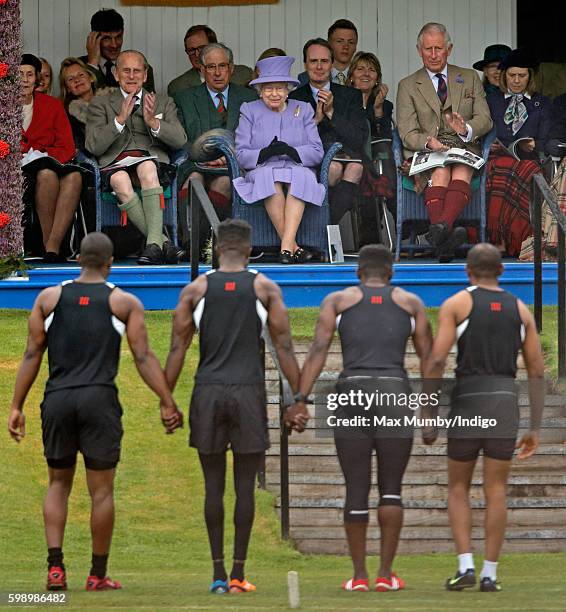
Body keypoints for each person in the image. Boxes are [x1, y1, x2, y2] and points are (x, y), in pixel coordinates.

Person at [8, 232, 183, 592]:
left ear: (77, 260)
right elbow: (144, 357)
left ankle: (55, 568)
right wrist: (167, 400)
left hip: (57, 399)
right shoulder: (124, 303)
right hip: (99, 401)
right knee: (101, 492)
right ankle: (97, 574)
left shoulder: (49, 299)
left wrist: (16, 406)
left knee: (58, 484)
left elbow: (31, 355)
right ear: (110, 264)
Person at [164, 218, 302, 594]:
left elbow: (178, 348)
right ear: (248, 247)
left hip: (208, 391)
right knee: (244, 487)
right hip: (247, 391)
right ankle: (240, 573)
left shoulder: (195, 290)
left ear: (216, 248)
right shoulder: (263, 287)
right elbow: (286, 347)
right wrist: (299, 399)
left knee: (213, 487)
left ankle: (217, 574)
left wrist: (167, 400)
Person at [292, 244, 431, 592]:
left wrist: (300, 399)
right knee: (391, 490)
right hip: (394, 393)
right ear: (391, 272)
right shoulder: (411, 304)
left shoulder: (337, 302)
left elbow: (318, 351)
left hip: (351, 392)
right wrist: (429, 411)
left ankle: (359, 576)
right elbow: (430, 360)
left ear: (358, 273)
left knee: (356, 487)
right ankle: (386, 574)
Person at [423, 243, 544, 592]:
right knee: (496, 490)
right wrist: (534, 427)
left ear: (467, 271)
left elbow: (435, 361)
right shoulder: (520, 310)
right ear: (502, 271)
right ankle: (490, 573)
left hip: (469, 400)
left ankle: (465, 566)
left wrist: (429, 412)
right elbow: (536, 370)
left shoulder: (457, 304)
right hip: (504, 400)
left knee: (458, 487)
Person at [396, 22, 492, 262]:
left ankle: (439, 233)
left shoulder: (469, 77)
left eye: (439, 48)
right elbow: (407, 132)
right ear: (419, 50)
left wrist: (466, 129)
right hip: (428, 150)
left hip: (463, 147)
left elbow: (485, 119)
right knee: (439, 171)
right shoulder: (408, 85)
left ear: (449, 49)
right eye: (428, 49)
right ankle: (446, 237)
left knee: (461, 168)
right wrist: (429, 143)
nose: (433, 54)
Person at [85, 50, 187, 265]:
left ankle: (153, 245)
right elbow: (93, 146)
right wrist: (119, 120)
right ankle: (162, 243)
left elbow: (180, 140)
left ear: (145, 75)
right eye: (126, 71)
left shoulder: (162, 102)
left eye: (137, 71)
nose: (131, 76)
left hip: (152, 163)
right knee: (119, 180)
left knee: (147, 167)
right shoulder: (100, 103)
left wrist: (153, 123)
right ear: (115, 74)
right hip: (115, 164)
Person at [233, 56, 325, 264]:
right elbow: (241, 154)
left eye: (279, 88)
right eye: (268, 89)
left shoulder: (303, 110)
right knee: (269, 177)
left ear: (287, 90)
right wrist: (264, 153)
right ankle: (293, 247)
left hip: (296, 165)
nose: (274, 94)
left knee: (301, 176)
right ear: (260, 91)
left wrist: (292, 151)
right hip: (263, 168)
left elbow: (317, 151)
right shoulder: (249, 110)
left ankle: (285, 247)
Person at [174, 43, 257, 254]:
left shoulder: (249, 98)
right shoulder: (184, 98)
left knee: (223, 184)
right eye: (211, 67)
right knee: (194, 182)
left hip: (233, 165)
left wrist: (230, 157)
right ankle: (189, 244)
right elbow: (179, 139)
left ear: (231, 68)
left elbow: (256, 137)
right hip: (195, 163)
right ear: (201, 70)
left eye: (222, 66)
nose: (218, 73)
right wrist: (200, 156)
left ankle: (208, 245)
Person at [289, 38, 368, 226]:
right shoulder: (294, 98)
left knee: (355, 168)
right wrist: (315, 120)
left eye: (324, 61)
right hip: (310, 159)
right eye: (313, 61)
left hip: (347, 155)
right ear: (305, 64)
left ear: (332, 64)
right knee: (333, 169)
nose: (318, 66)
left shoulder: (351, 95)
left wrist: (332, 113)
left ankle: (323, 228)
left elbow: (358, 138)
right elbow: (292, 140)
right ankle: (321, 231)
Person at [485, 49, 552, 259]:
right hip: (499, 158)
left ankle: (517, 240)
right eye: (511, 75)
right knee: (498, 167)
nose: (516, 80)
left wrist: (535, 143)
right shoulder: (492, 101)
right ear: (504, 75)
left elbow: (548, 139)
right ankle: (500, 239)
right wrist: (490, 143)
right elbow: (483, 131)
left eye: (521, 76)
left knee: (523, 169)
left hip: (529, 160)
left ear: (530, 76)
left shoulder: (542, 103)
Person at [20, 53, 82, 263]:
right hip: (16, 168)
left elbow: (68, 146)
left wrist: (44, 153)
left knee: (74, 176)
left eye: (30, 74)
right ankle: (49, 244)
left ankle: (53, 248)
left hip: (50, 160)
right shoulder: (5, 106)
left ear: (37, 78)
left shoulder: (52, 105)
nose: (25, 79)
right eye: (20, 74)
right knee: (46, 175)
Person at [348, 51, 396, 245]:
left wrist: (377, 110)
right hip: (351, 156)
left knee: (385, 165)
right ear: (351, 76)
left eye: (372, 70)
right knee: (369, 173)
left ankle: (404, 232)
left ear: (378, 78)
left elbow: (385, 135)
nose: (366, 73)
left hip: (378, 157)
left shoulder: (386, 104)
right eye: (360, 69)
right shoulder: (343, 100)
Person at [167, 25, 253, 97]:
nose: (197, 55)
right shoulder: (178, 87)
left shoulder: (244, 75)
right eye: (191, 50)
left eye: (202, 48)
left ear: (214, 45)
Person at [81, 8, 156, 92]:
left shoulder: (141, 67)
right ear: (94, 38)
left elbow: (146, 102)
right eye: (107, 38)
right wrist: (92, 65)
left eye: (118, 37)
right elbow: (86, 99)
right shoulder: (77, 68)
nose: (114, 45)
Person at [59, 57, 111, 152]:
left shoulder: (111, 100)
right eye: (70, 79)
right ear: (68, 88)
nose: (77, 80)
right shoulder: (66, 115)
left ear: (91, 77)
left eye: (81, 75)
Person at [298, 19, 359, 86]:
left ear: (356, 46)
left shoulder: (363, 77)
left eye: (351, 42)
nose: (346, 47)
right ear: (329, 44)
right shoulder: (305, 78)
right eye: (339, 41)